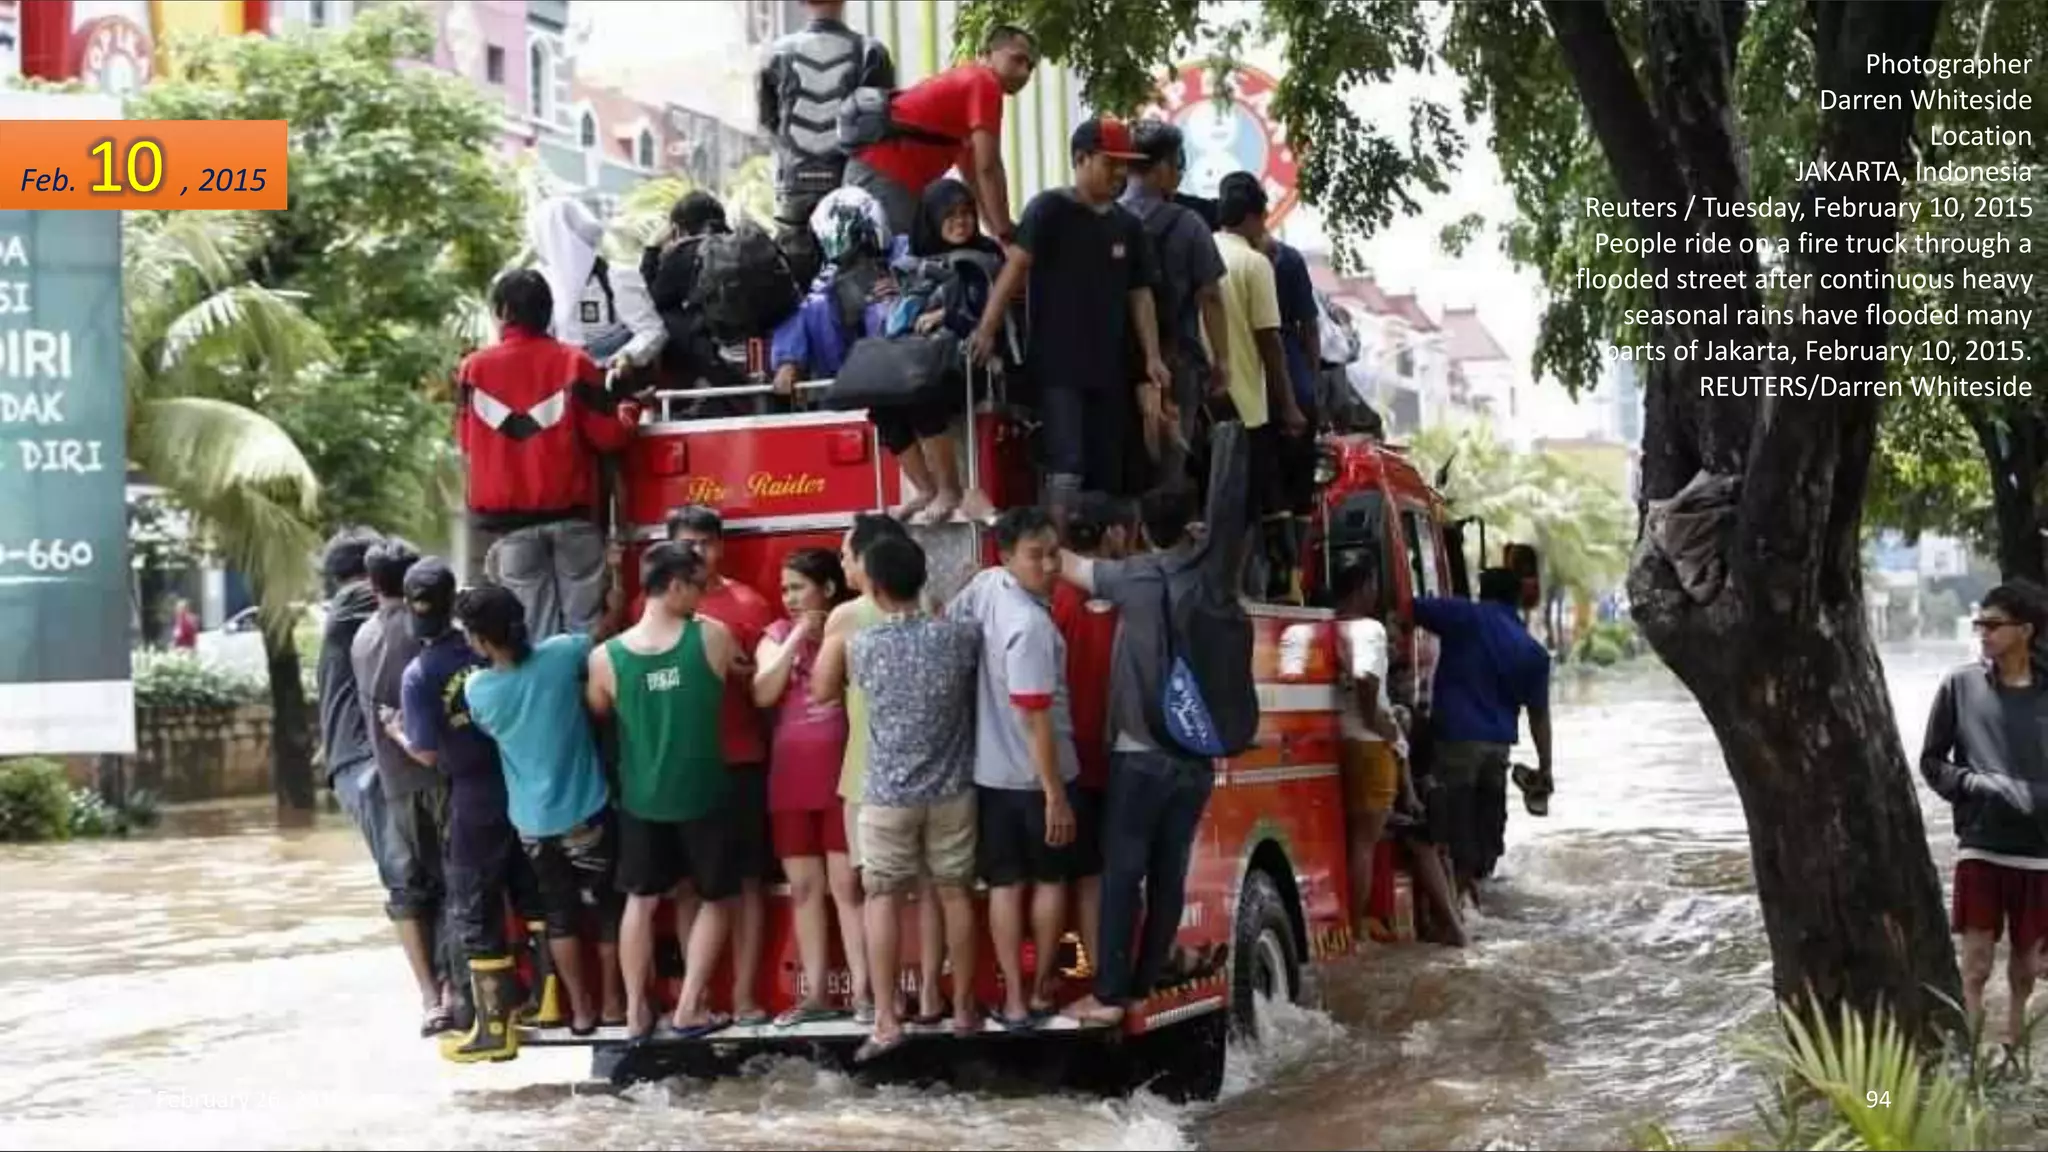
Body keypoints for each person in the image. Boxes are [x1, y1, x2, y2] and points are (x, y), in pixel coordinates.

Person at [1056, 457, 1253, 1026]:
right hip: (1197, 756)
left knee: (1123, 873)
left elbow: (1064, 563)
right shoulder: (1217, 576)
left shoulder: (1133, 577)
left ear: (1140, 529)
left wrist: (993, 518)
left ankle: (1111, 993)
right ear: (1193, 525)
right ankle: (1144, 987)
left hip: (1139, 756)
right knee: (1171, 874)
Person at [970, 116, 1171, 513]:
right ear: (1081, 159)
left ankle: (1104, 555)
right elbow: (1016, 268)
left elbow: (1140, 295)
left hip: (1112, 368)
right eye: (1109, 162)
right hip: (1059, 367)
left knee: (1110, 470)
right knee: (1067, 466)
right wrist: (987, 328)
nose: (1119, 174)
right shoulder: (1048, 210)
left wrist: (1152, 357)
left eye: (1123, 165)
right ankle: (1060, 553)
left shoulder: (1128, 226)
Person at [386, 558, 543, 1061]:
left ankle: (494, 1030)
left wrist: (394, 731)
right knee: (533, 894)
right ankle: (548, 1002)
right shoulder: (489, 646)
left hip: (472, 799)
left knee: (473, 905)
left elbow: (427, 752)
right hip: (521, 786)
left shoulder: (419, 673)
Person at [457, 581, 628, 1036]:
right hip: (587, 812)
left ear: (480, 639)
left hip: (533, 825)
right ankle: (614, 1003)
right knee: (609, 908)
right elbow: (604, 633)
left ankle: (583, 1011)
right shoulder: (562, 655)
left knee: (559, 915)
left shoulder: (478, 691)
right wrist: (613, 589)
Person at [587, 542, 741, 1041]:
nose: (703, 594)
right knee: (717, 897)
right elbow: (742, 680)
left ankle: (635, 1012)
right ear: (674, 586)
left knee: (641, 899)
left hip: (640, 797)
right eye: (698, 585)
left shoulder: (604, 658)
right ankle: (690, 1005)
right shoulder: (713, 638)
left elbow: (600, 712)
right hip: (705, 792)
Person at [846, 534, 984, 1059]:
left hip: (886, 794)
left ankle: (885, 1019)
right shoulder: (960, 638)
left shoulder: (863, 646)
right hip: (952, 791)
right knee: (954, 892)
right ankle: (965, 1007)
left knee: (882, 897)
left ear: (876, 588)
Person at [811, 512, 949, 1025]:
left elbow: (822, 692)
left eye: (847, 554)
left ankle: (886, 1007)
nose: (843, 562)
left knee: (880, 893)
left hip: (869, 773)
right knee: (933, 886)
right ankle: (933, 994)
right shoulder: (930, 605)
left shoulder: (846, 619)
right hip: (933, 768)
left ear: (869, 558)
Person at [949, 506, 1079, 1028]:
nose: (1048, 565)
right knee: (1048, 881)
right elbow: (1036, 720)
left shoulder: (987, 586)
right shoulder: (1030, 628)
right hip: (1036, 778)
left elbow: (950, 623)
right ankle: (1039, 990)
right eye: (1035, 556)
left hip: (989, 775)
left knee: (1004, 883)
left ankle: (1012, 997)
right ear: (1007, 556)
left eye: (1053, 553)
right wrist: (1055, 795)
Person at [455, 268, 639, 629]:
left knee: (536, 634)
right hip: (574, 521)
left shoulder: (473, 370)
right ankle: (585, 686)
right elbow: (610, 436)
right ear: (548, 311)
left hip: (511, 529)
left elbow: (465, 440)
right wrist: (629, 410)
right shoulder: (575, 363)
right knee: (584, 631)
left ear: (503, 311)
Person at [1920, 585, 2048, 1058]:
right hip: (1981, 844)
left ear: (2026, 631)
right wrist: (1976, 786)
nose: (1983, 634)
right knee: (1974, 966)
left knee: (2026, 970)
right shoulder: (1960, 685)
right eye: (1980, 624)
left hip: (2040, 853)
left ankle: (2015, 1055)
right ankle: (1972, 1060)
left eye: (1993, 625)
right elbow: (1932, 762)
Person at [665, 506, 780, 1028]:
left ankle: (746, 995)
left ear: (721, 547)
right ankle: (699, 997)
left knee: (749, 881)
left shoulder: (749, 605)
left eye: (707, 544)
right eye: (687, 544)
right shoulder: (659, 608)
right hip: (683, 768)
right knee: (689, 885)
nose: (698, 553)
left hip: (742, 760)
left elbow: (768, 688)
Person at [753, 548, 868, 1026]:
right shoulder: (776, 635)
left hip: (844, 778)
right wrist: (798, 632)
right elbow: (763, 690)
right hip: (790, 782)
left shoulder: (850, 630)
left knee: (848, 886)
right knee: (804, 889)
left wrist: (825, 635)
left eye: (799, 587)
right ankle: (815, 992)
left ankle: (866, 992)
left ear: (827, 587)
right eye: (785, 589)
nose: (790, 597)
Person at [349, 538, 454, 1036]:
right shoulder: (423, 636)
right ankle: (456, 990)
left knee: (411, 888)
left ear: (372, 585)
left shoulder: (361, 638)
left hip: (392, 784)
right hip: (436, 772)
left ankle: (431, 999)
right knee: (454, 878)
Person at [318, 527, 419, 1020]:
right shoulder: (357, 604)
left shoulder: (350, 610)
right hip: (366, 760)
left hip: (366, 758)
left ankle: (443, 990)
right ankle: (436, 996)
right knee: (405, 874)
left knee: (413, 873)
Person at [1412, 567, 1554, 910]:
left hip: (1457, 742)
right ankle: (1477, 896)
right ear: (1518, 598)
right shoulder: (1532, 651)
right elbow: (1539, 716)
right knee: (1488, 824)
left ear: (1482, 591)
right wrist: (1545, 767)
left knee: (1453, 823)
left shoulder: (1465, 616)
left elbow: (1411, 605)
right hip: (1497, 751)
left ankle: (1455, 906)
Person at [878, 177, 1008, 524]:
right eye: (949, 215)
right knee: (883, 405)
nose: (961, 221)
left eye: (967, 212)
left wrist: (945, 315)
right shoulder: (912, 264)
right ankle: (925, 488)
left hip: (972, 364)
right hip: (925, 359)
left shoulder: (985, 259)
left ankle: (950, 488)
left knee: (922, 394)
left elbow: (988, 319)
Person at [1049, 493, 1136, 979]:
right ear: (1113, 534)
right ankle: (1109, 967)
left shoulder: (1053, 599)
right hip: (1115, 754)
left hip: (1062, 757)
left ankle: (1075, 969)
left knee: (1073, 873)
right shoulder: (1132, 593)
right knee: (1112, 870)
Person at [844, 23, 1036, 241]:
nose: (1024, 72)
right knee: (891, 263)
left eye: (1030, 66)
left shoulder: (967, 87)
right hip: (886, 175)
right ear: (988, 54)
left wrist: (997, 233)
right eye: (1017, 59)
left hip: (879, 173)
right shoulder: (985, 82)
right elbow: (989, 167)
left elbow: (973, 176)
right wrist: (1005, 231)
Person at [1213, 172, 1310, 600]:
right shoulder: (1255, 264)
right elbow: (1270, 342)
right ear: (1254, 217)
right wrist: (1289, 407)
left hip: (1204, 405)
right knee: (1248, 508)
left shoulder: (1202, 250)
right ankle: (1241, 592)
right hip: (1248, 408)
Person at [1121, 121, 1231, 490]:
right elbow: (1211, 297)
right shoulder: (1189, 224)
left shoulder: (1107, 220)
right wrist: (1223, 362)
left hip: (1118, 362)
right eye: (1179, 162)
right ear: (1163, 166)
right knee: (1170, 460)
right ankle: (1165, 531)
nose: (1180, 172)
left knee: (1123, 458)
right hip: (1175, 361)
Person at [1330, 558, 1435, 945]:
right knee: (1365, 843)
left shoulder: (1329, 625)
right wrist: (1385, 726)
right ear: (1363, 588)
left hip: (1341, 738)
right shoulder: (1369, 631)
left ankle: (1353, 925)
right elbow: (1367, 684)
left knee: (1353, 841)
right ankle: (1355, 930)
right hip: (1370, 745)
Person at [758, 0, 895, 283]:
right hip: (849, 188)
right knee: (856, 291)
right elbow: (878, 126)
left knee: (796, 291)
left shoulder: (775, 54)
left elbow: (768, 124)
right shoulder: (871, 52)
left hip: (793, 190)